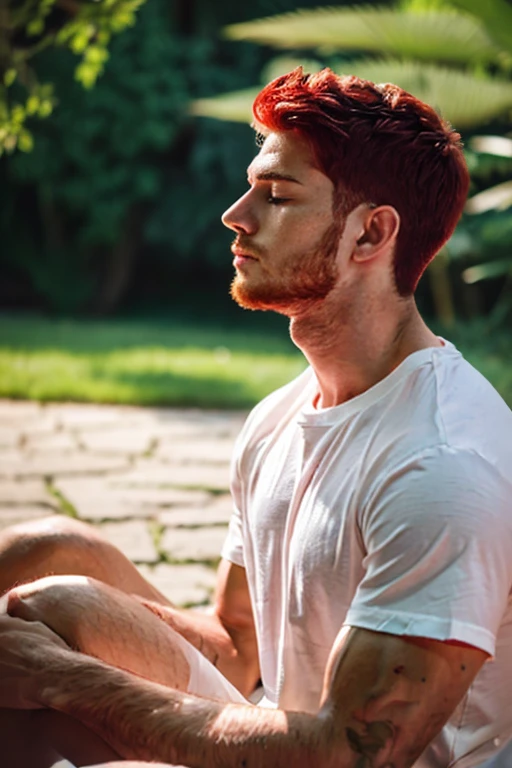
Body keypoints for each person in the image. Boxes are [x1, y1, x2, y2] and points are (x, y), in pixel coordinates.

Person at [0, 67, 511, 768]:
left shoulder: (442, 463)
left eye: (275, 195)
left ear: (370, 235)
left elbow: (351, 754)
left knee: (42, 667)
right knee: (43, 557)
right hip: (286, 732)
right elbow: (241, 648)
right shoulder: (282, 415)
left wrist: (66, 679)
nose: (235, 215)